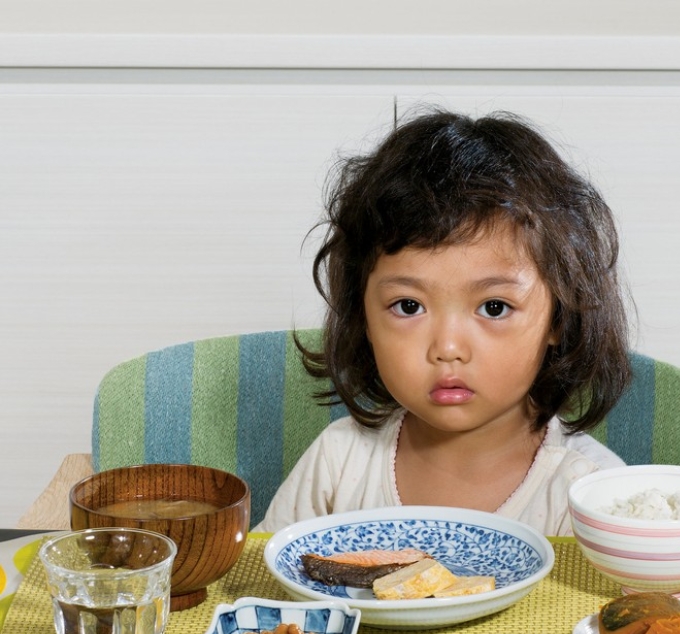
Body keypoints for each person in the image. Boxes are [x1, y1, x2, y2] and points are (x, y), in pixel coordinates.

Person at [255, 108, 632, 536]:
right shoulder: (339, 463)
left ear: (558, 319)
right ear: (363, 317)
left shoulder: (592, 492)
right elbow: (267, 585)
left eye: (493, 307)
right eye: (409, 307)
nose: (448, 347)